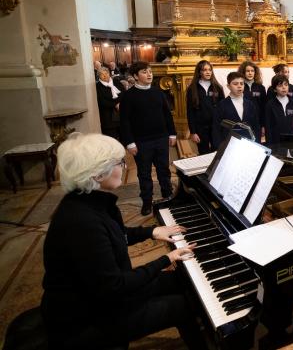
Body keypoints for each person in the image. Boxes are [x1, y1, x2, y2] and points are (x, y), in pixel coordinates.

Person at [41, 133, 203, 350]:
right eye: (119, 163)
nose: (124, 167)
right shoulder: (81, 222)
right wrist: (166, 259)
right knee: (183, 305)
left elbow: (114, 235)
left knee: (182, 280)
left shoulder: (87, 201)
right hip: (86, 317)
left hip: (102, 295)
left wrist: (151, 231)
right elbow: (115, 287)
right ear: (97, 174)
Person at [119, 62, 176, 215]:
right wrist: (130, 142)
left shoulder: (158, 92)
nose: (149, 74)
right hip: (141, 142)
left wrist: (172, 134)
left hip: (161, 138)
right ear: (136, 76)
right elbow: (124, 121)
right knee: (144, 173)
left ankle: (167, 196)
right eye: (144, 72)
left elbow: (167, 114)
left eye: (150, 71)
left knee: (164, 169)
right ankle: (147, 201)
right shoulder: (128, 96)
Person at [186, 60, 225, 154]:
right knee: (203, 153)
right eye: (205, 70)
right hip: (200, 128)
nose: (208, 72)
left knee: (217, 152)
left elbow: (223, 108)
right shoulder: (192, 89)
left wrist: (223, 127)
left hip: (216, 126)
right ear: (199, 72)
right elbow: (190, 112)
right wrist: (193, 132)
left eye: (210, 70)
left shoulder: (217, 87)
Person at [212, 71, 260, 145]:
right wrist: (219, 146)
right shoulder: (222, 105)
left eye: (241, 83)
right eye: (235, 84)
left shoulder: (250, 104)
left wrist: (257, 144)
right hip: (229, 143)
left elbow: (256, 126)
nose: (239, 86)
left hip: (248, 143)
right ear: (228, 86)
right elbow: (216, 129)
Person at [264, 74, 293, 144]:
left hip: (292, 140)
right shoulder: (270, 105)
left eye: (286, 85)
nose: (284, 87)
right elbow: (268, 126)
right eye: (280, 85)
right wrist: (269, 144)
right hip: (276, 140)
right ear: (275, 89)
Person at [96, 67, 123, 141]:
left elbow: (123, 93)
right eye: (102, 74)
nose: (105, 75)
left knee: (123, 136)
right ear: (99, 76)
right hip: (108, 116)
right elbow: (101, 101)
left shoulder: (116, 82)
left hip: (120, 113)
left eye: (106, 73)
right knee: (111, 139)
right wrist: (115, 104)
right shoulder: (98, 86)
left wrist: (120, 103)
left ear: (109, 74)